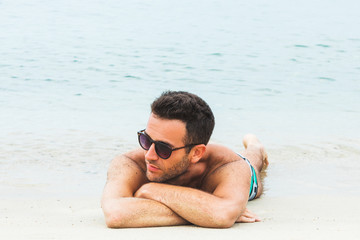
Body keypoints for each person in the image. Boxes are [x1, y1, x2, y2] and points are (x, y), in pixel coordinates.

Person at [101, 91, 269, 228]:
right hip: (194, 147)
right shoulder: (129, 163)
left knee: (253, 161)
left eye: (163, 148)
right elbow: (116, 214)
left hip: (242, 169)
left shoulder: (230, 166)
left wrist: (151, 190)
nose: (149, 155)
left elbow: (223, 215)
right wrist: (203, 213)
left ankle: (255, 146)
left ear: (196, 153)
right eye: (146, 140)